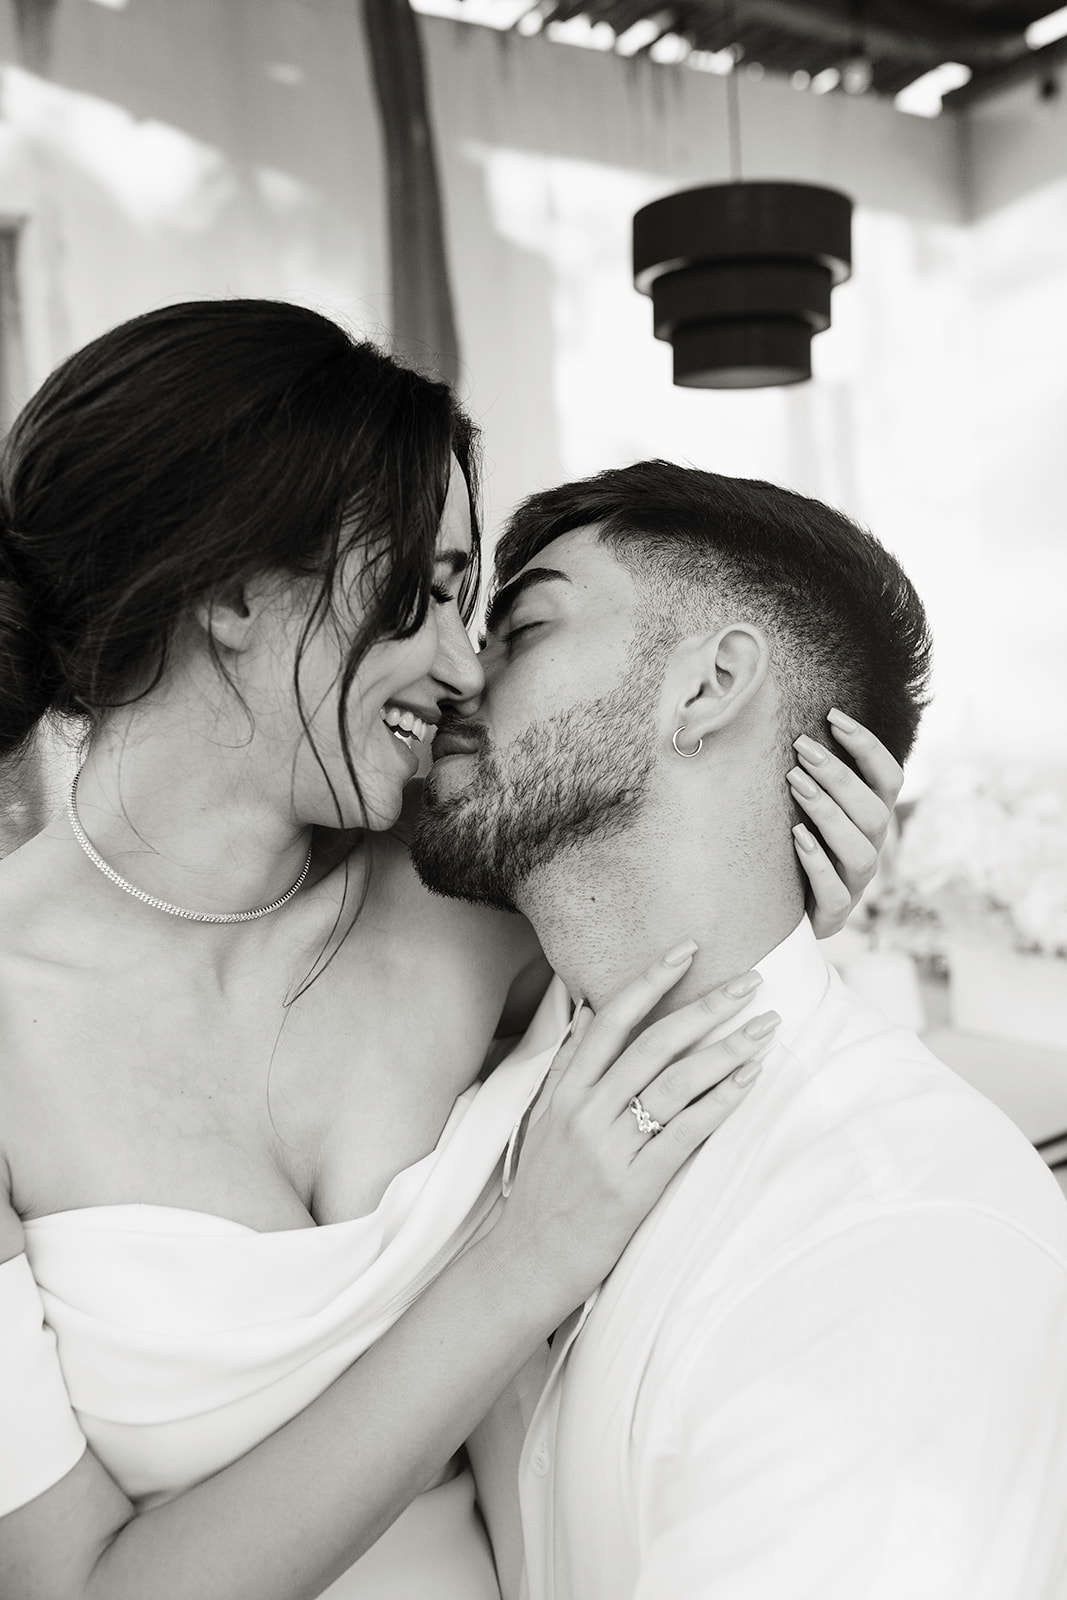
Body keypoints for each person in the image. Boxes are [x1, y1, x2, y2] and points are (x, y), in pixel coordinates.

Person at [0, 301, 900, 1600]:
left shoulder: (474, 885)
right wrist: (518, 1258)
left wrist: (792, 857)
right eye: (424, 595)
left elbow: (710, 964)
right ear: (236, 592)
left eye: (477, 606)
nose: (463, 666)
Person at [412, 460, 1067, 1600]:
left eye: (522, 625)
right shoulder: (477, 1105)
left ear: (707, 686)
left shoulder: (900, 1234)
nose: (462, 670)